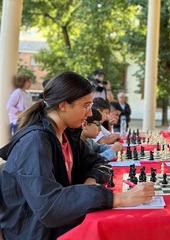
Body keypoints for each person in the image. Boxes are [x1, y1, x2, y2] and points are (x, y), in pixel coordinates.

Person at [0, 71, 155, 239]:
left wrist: (90, 182)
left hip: (60, 225)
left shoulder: (68, 134)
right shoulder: (35, 143)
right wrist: (118, 198)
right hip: (35, 233)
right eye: (86, 106)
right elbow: (49, 207)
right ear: (63, 105)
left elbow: (99, 162)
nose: (89, 114)